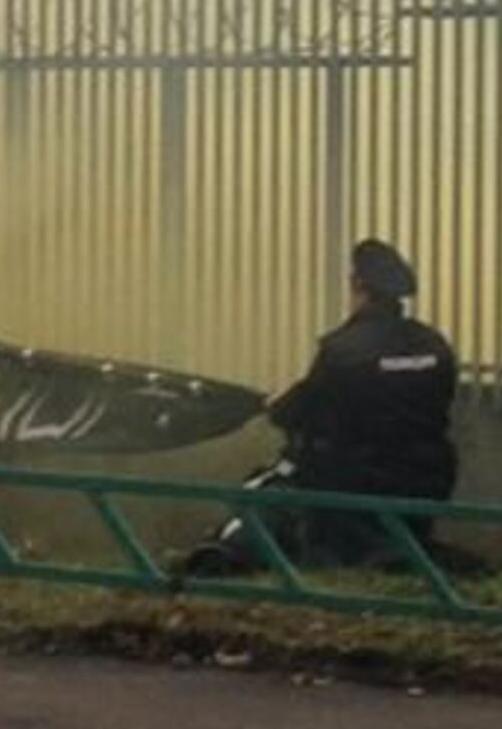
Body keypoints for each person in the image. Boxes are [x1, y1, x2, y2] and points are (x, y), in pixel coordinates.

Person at [184, 239, 460, 575]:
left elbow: (307, 408)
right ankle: (391, 556)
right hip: (427, 478)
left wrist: (277, 409)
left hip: (352, 478)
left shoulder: (343, 349)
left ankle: (227, 553)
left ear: (357, 284)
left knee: (268, 486)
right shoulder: (434, 344)